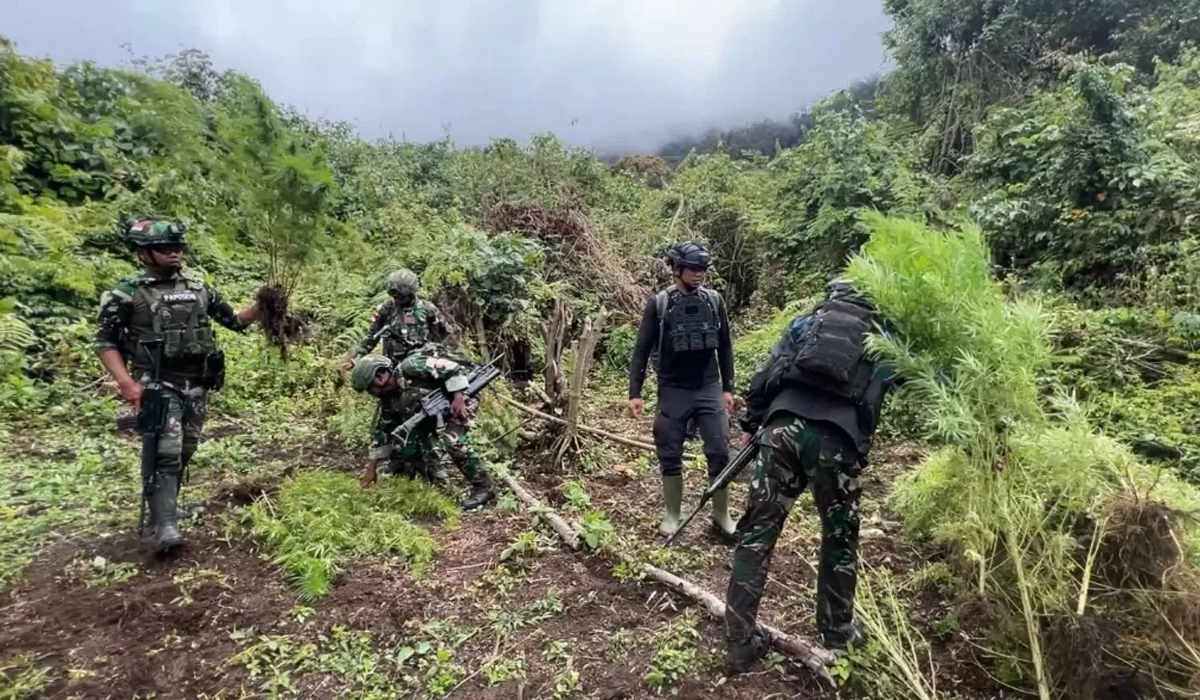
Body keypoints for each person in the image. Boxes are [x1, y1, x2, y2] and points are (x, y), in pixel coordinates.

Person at [724, 278, 901, 674]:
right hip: (835, 442)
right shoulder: (884, 336)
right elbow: (911, 380)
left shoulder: (807, 323)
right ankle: (836, 632)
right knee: (838, 539)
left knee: (756, 534)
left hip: (781, 431)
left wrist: (753, 422)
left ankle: (738, 642)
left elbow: (765, 374)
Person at [94, 218, 259, 553]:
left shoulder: (198, 288)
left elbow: (235, 320)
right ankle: (164, 525)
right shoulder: (126, 294)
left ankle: (167, 508)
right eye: (166, 249)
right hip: (156, 383)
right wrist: (126, 384)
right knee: (164, 453)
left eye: (178, 248)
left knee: (185, 448)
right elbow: (105, 341)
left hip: (196, 382)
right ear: (143, 253)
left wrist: (265, 302)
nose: (175, 254)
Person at [628, 240, 737, 537]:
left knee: (719, 450)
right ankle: (673, 514)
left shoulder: (714, 301)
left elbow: (725, 345)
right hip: (673, 388)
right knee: (669, 450)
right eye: (692, 269)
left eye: (702, 269)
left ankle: (721, 515)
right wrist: (635, 393)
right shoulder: (659, 304)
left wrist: (728, 388)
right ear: (676, 269)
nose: (698, 274)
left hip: (708, 386)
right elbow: (641, 349)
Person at [349, 352, 496, 510]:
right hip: (433, 411)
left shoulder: (412, 365)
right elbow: (383, 431)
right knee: (410, 439)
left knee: (452, 440)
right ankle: (433, 478)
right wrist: (371, 468)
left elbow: (452, 368)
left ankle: (484, 487)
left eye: (370, 388)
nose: (370, 394)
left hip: (461, 396)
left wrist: (458, 397)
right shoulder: (389, 398)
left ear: (380, 378)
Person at [343, 268, 452, 368]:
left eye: (401, 295)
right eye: (395, 295)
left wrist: (442, 358)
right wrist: (354, 360)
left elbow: (445, 336)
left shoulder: (427, 309)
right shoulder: (386, 309)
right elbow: (371, 338)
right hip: (393, 368)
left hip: (422, 365)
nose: (398, 298)